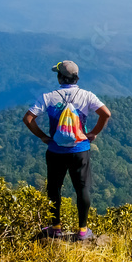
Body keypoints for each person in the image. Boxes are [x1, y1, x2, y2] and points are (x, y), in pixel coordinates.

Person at [22, 60, 111, 241]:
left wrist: (43, 136)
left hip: (56, 150)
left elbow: (28, 118)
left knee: (54, 189)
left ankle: (55, 228)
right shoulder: (87, 96)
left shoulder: (48, 97)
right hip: (80, 149)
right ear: (76, 77)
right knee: (82, 188)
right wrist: (93, 133)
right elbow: (106, 113)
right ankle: (83, 231)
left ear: (60, 77)